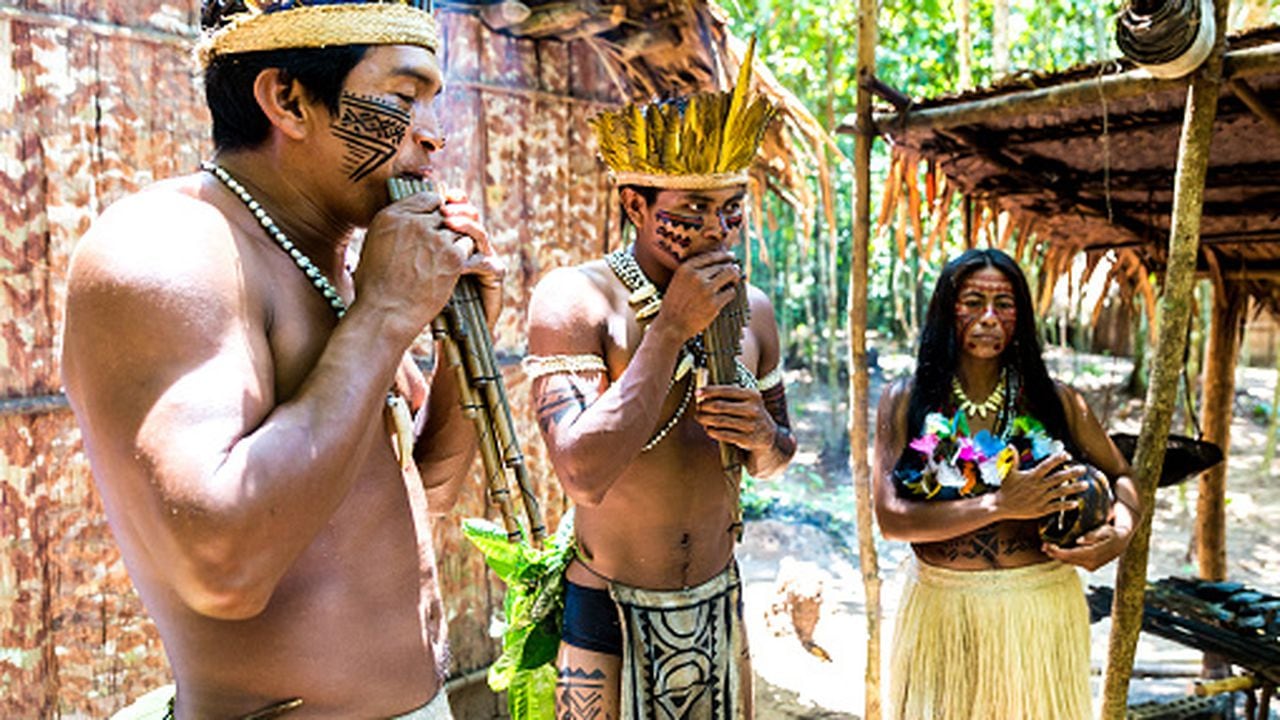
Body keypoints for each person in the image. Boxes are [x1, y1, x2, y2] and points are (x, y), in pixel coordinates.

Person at [60, 2, 502, 717]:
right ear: (289, 100)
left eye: (431, 102)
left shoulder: (339, 271)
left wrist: (457, 346)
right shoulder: (170, 245)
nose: (433, 136)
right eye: (402, 97)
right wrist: (385, 316)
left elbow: (420, 496)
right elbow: (222, 564)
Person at [523, 42, 796, 720]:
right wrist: (671, 329)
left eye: (731, 210)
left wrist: (763, 437)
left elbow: (776, 459)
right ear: (635, 204)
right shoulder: (575, 301)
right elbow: (582, 474)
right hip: (607, 615)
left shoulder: (753, 310)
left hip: (718, 603)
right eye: (690, 212)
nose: (715, 230)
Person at [873, 248, 1142, 720]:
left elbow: (1123, 476)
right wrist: (1000, 504)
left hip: (1038, 609)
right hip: (942, 613)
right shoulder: (905, 401)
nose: (988, 318)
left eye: (1004, 304)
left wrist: (1121, 533)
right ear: (945, 310)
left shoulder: (1056, 401)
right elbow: (892, 520)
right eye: (972, 302)